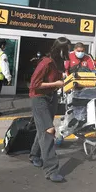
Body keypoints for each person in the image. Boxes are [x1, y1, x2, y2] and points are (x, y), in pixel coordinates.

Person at [28, 37, 72, 183]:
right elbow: (34, 85)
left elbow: (58, 81)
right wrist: (56, 83)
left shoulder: (59, 63)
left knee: (43, 128)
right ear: (60, 49)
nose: (69, 52)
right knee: (49, 130)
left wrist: (63, 81)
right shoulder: (46, 62)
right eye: (67, 49)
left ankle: (34, 155)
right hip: (39, 98)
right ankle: (51, 170)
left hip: (51, 98)